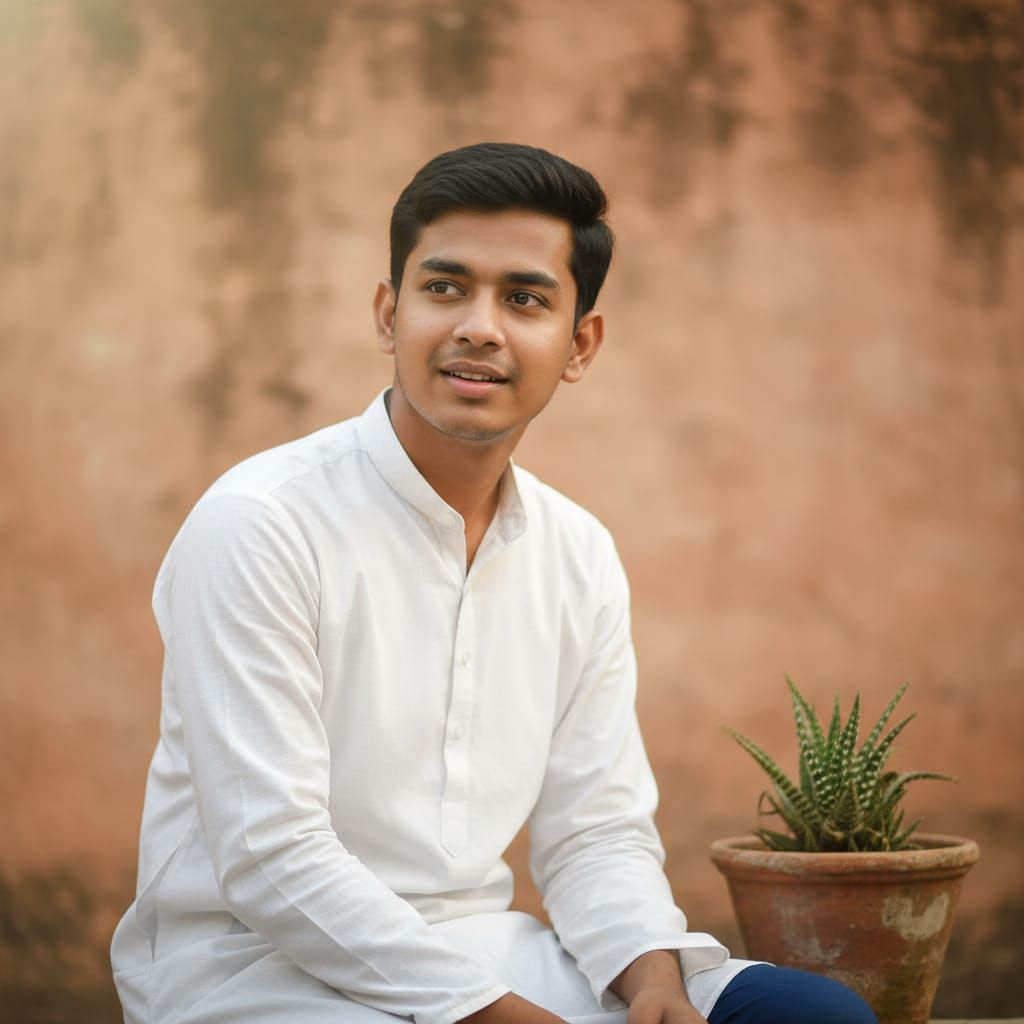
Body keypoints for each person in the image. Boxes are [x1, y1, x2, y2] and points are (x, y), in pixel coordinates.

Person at [111, 143, 876, 1024]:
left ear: (580, 341)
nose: (480, 325)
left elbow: (594, 827)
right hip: (259, 978)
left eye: (524, 298)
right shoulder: (260, 523)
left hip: (485, 951)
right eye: (444, 288)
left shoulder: (576, 552)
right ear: (388, 313)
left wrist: (655, 987)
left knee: (816, 1018)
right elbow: (269, 856)